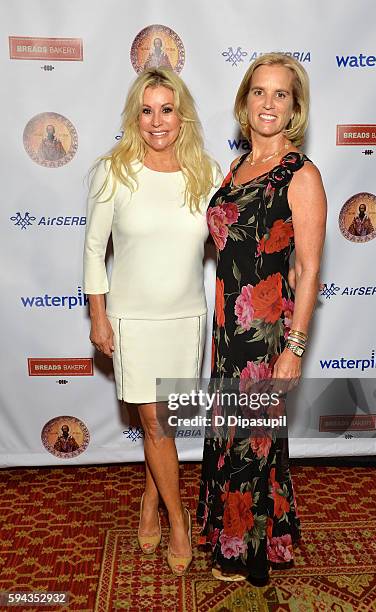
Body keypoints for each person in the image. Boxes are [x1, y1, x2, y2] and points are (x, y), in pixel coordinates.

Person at [83, 67, 221, 576]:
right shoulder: (113, 172)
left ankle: (149, 500)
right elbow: (94, 252)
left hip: (187, 318)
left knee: (158, 422)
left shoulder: (204, 172)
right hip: (132, 320)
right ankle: (179, 520)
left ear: (181, 115)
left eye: (166, 109)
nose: (157, 120)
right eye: (147, 110)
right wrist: (98, 317)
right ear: (134, 116)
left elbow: (231, 241)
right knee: (156, 422)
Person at [197, 53, 327, 586]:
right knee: (233, 434)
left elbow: (309, 267)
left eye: (280, 94)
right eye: (259, 92)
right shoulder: (238, 167)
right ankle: (260, 538)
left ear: (295, 108)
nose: (268, 103)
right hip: (228, 330)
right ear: (244, 102)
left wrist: (294, 348)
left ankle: (245, 552)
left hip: (266, 331)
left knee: (252, 439)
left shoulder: (300, 173)